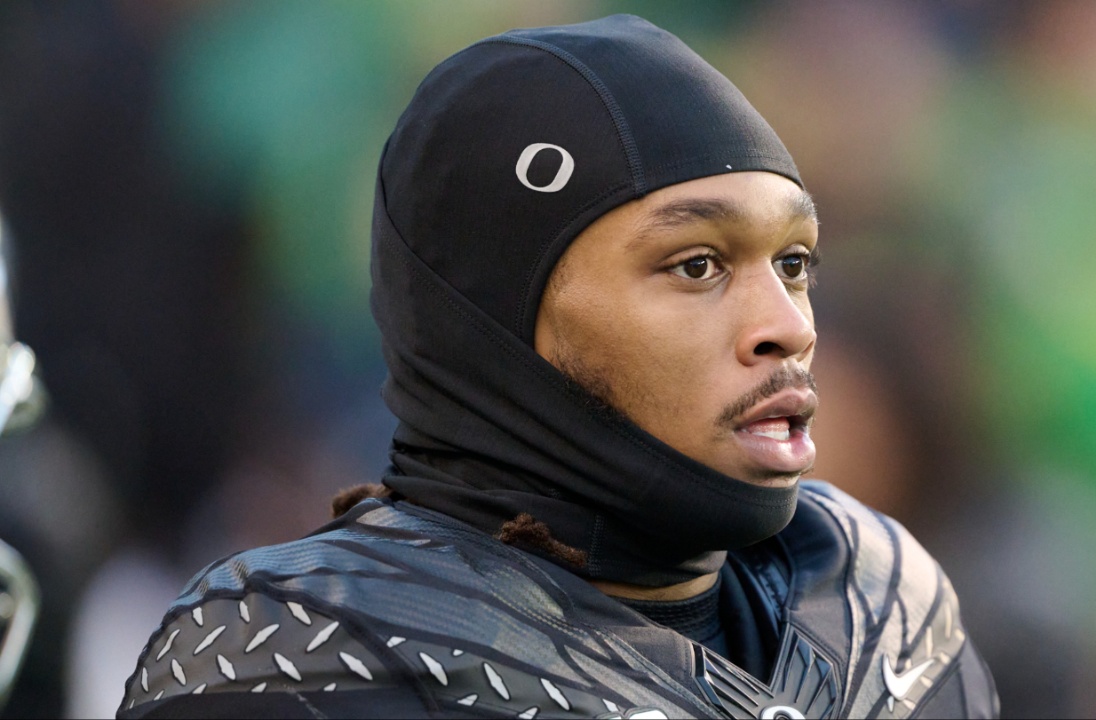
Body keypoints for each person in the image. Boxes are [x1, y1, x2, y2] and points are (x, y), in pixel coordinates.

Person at [118, 15, 998, 719]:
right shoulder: (299, 665)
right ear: (494, 325)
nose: (786, 327)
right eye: (696, 265)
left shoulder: (883, 607)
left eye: (794, 263)